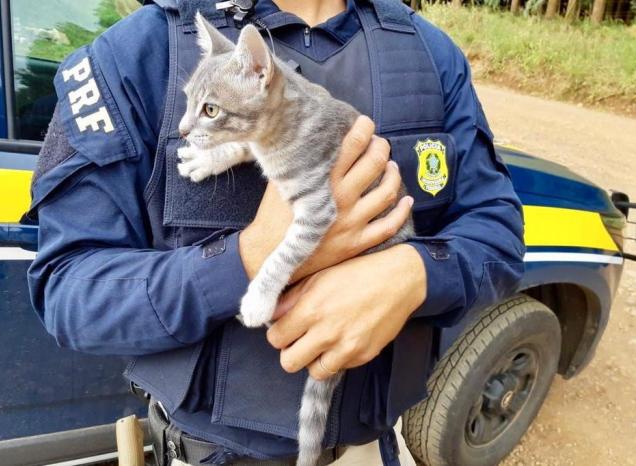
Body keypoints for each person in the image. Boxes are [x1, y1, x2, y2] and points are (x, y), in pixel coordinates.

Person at [27, 0, 525, 465]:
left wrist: (413, 274)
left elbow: (498, 234)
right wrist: (248, 258)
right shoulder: (141, 51)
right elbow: (68, 290)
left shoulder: (429, 52)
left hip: (371, 449)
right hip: (209, 453)